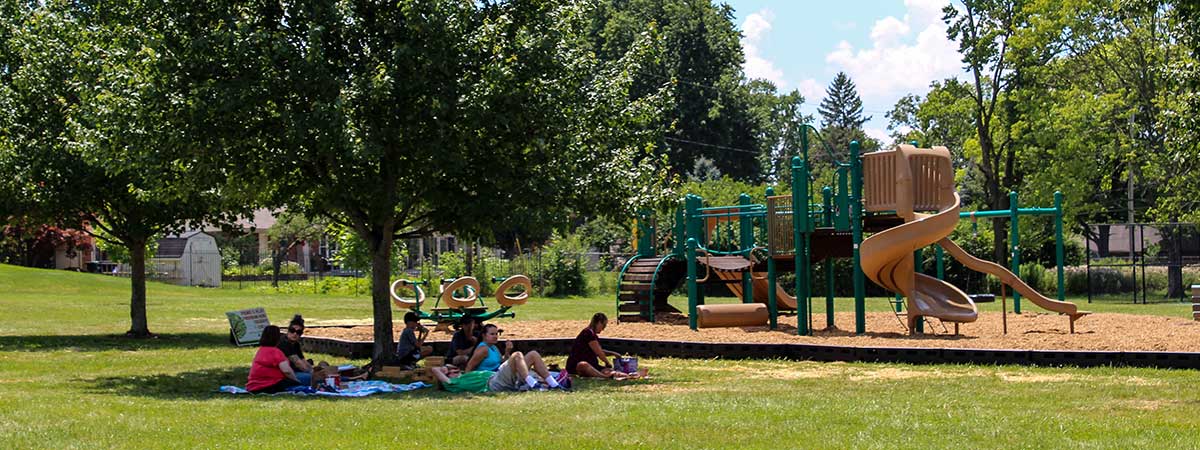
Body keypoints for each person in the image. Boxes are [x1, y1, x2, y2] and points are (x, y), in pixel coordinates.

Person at [434, 350, 567, 393]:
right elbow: (435, 369)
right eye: (451, 371)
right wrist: (444, 369)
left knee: (532, 354)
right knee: (518, 355)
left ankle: (554, 384)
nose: (455, 371)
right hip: (494, 382)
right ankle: (534, 384)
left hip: (499, 376)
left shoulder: (462, 376)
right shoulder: (452, 383)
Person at [566, 313, 634, 379]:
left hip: (592, 365)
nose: (603, 329)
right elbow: (599, 352)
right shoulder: (588, 333)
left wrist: (613, 353)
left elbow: (599, 350)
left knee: (609, 371)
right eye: (603, 325)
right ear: (598, 323)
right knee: (582, 365)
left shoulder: (592, 334)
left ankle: (629, 375)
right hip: (577, 366)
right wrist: (607, 362)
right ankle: (604, 377)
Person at [246, 326, 303, 393]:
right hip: (270, 385)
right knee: (307, 377)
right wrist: (296, 381)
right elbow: (287, 371)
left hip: (253, 386)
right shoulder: (276, 352)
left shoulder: (261, 350)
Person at [278, 314, 314, 386]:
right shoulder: (284, 343)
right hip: (284, 375)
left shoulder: (295, 344)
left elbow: (303, 361)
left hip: (293, 372)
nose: (295, 334)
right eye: (292, 331)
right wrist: (314, 373)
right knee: (314, 378)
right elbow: (299, 364)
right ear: (288, 331)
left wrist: (313, 370)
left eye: (298, 332)